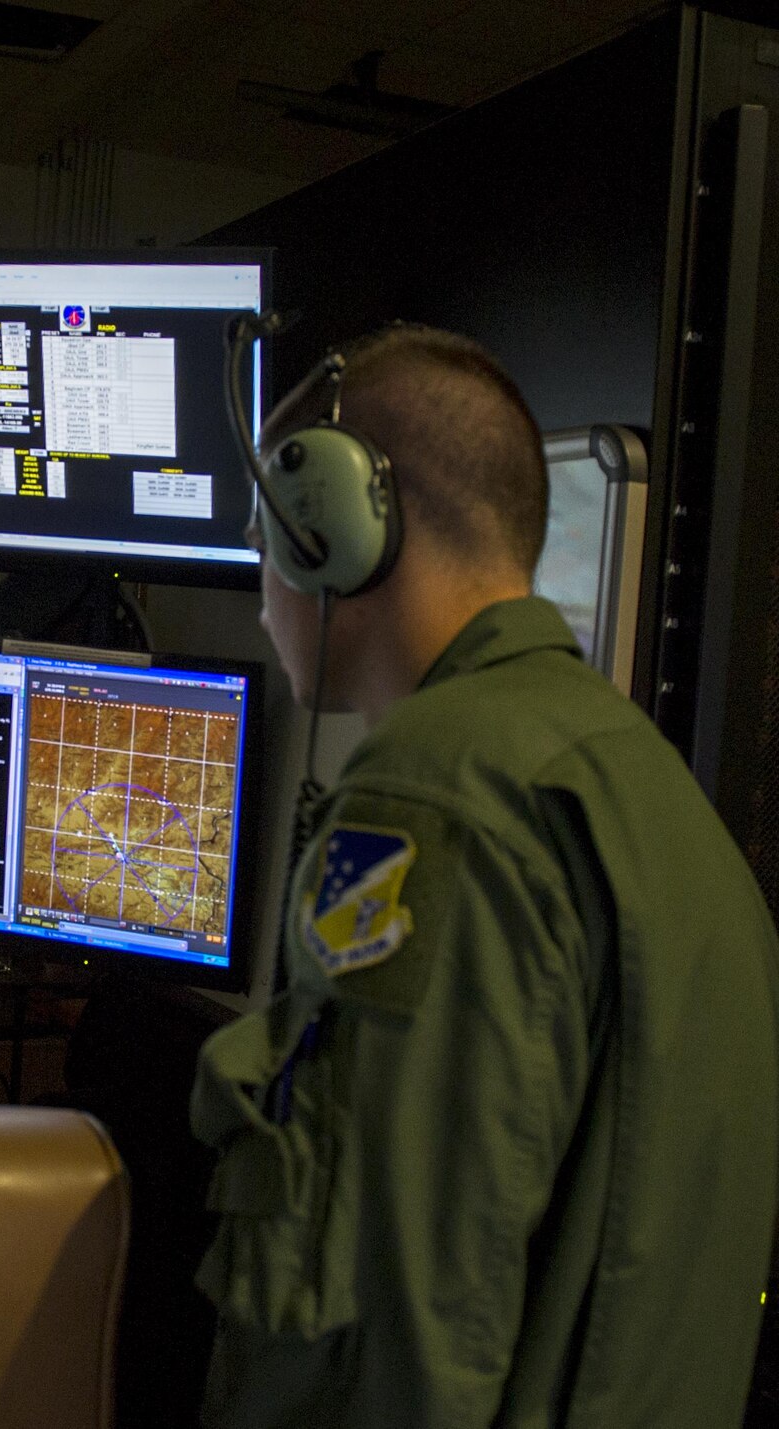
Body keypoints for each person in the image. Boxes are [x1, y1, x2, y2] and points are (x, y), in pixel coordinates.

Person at [194, 323, 779, 1427]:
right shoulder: (661, 811)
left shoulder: (430, 803)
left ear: (334, 531)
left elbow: (390, 1322)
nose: (261, 592)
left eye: (264, 541)